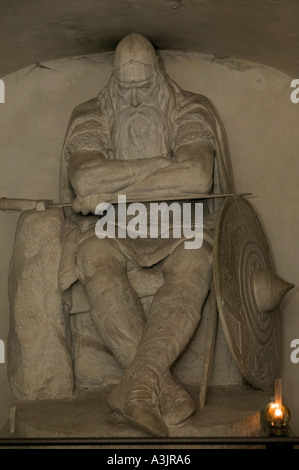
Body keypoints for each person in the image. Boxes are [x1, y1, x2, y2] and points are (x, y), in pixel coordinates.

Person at [59, 33, 231, 437]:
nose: (135, 101)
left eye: (143, 88)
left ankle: (135, 386)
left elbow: (196, 177)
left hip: (181, 223)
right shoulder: (90, 114)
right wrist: (164, 166)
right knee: (94, 256)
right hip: (112, 227)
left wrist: (114, 187)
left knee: (195, 260)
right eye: (125, 89)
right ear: (112, 83)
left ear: (159, 77)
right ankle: (161, 388)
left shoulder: (191, 109)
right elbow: (85, 177)